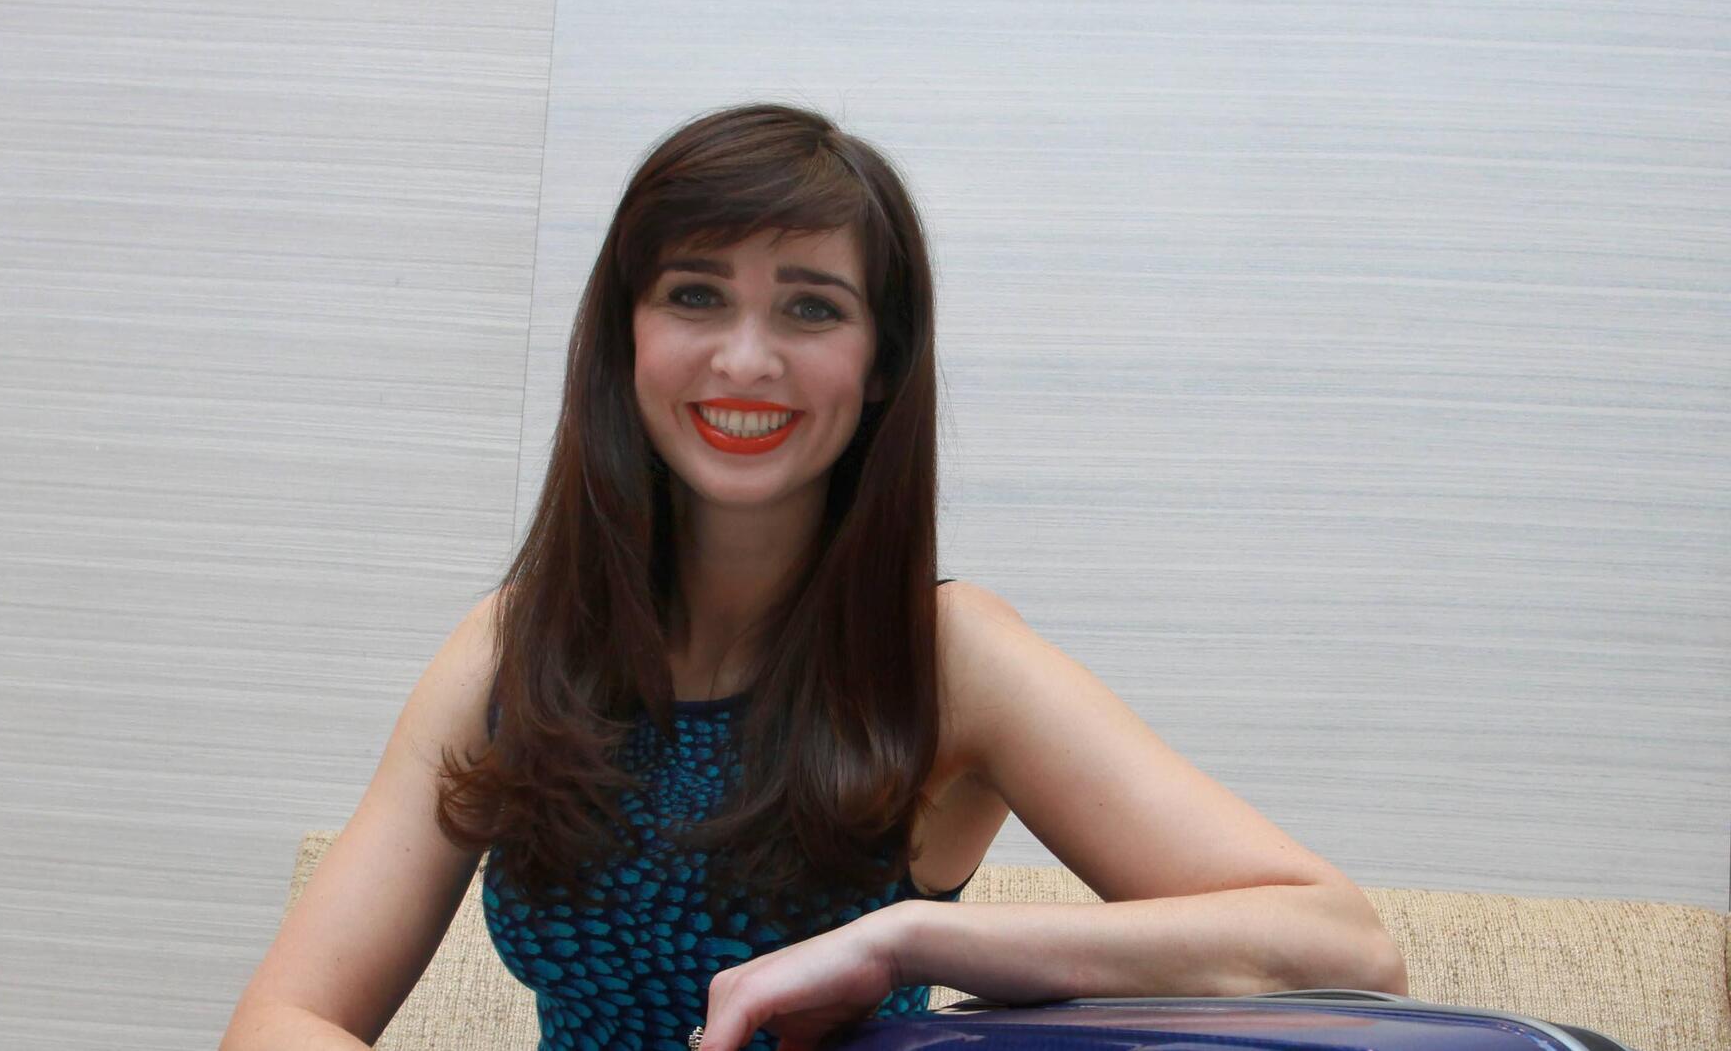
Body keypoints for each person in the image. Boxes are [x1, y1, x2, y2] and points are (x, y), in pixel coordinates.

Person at [220, 103, 1406, 1051]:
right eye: (694, 296)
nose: (745, 359)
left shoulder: (943, 658)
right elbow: (283, 1017)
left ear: (879, 361)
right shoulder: (516, 645)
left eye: (809, 308)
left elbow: (1344, 951)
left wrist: (905, 941)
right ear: (626, 335)